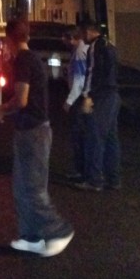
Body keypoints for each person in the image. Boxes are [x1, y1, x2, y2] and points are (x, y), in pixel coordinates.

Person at [2, 18, 74, 257]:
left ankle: (59, 230)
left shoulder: (24, 60)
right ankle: (31, 237)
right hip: (30, 130)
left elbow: (21, 100)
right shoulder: (27, 59)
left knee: (32, 188)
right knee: (21, 187)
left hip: (33, 132)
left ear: (8, 39)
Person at [75, 18, 122, 192]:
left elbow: (91, 72)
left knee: (95, 138)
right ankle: (113, 179)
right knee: (111, 139)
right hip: (113, 95)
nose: (82, 37)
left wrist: (87, 95)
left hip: (101, 97)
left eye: (82, 33)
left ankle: (94, 180)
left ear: (88, 31)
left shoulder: (95, 47)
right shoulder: (109, 45)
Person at [62, 27, 90, 183]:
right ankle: (83, 170)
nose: (63, 41)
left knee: (78, 136)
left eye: (66, 38)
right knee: (82, 135)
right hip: (83, 97)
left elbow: (79, 80)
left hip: (78, 99)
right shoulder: (83, 50)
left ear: (73, 38)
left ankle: (81, 171)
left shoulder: (79, 53)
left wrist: (69, 101)